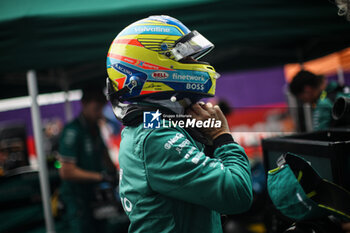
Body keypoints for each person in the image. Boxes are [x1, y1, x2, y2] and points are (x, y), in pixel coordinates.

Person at [106, 15, 253, 233]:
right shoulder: (154, 136)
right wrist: (222, 137)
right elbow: (238, 194)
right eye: (187, 59)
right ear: (154, 65)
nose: (197, 65)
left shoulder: (156, 122)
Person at [58, 86, 116, 233]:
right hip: (77, 199)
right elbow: (66, 172)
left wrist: (114, 174)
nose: (99, 113)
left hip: (96, 195)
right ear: (84, 103)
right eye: (96, 108)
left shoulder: (94, 128)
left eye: (101, 109)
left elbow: (104, 154)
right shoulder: (73, 130)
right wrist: (101, 177)